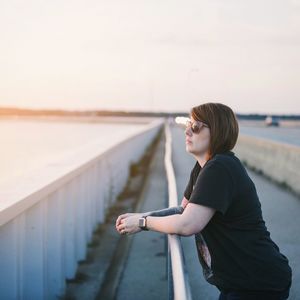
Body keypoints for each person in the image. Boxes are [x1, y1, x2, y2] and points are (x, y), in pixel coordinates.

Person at [115, 102, 292, 300]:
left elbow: (188, 224)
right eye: (188, 124)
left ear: (217, 132)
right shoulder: (203, 168)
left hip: (258, 283)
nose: (187, 131)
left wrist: (143, 223)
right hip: (240, 282)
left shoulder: (220, 168)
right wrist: (143, 215)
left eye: (196, 126)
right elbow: (183, 211)